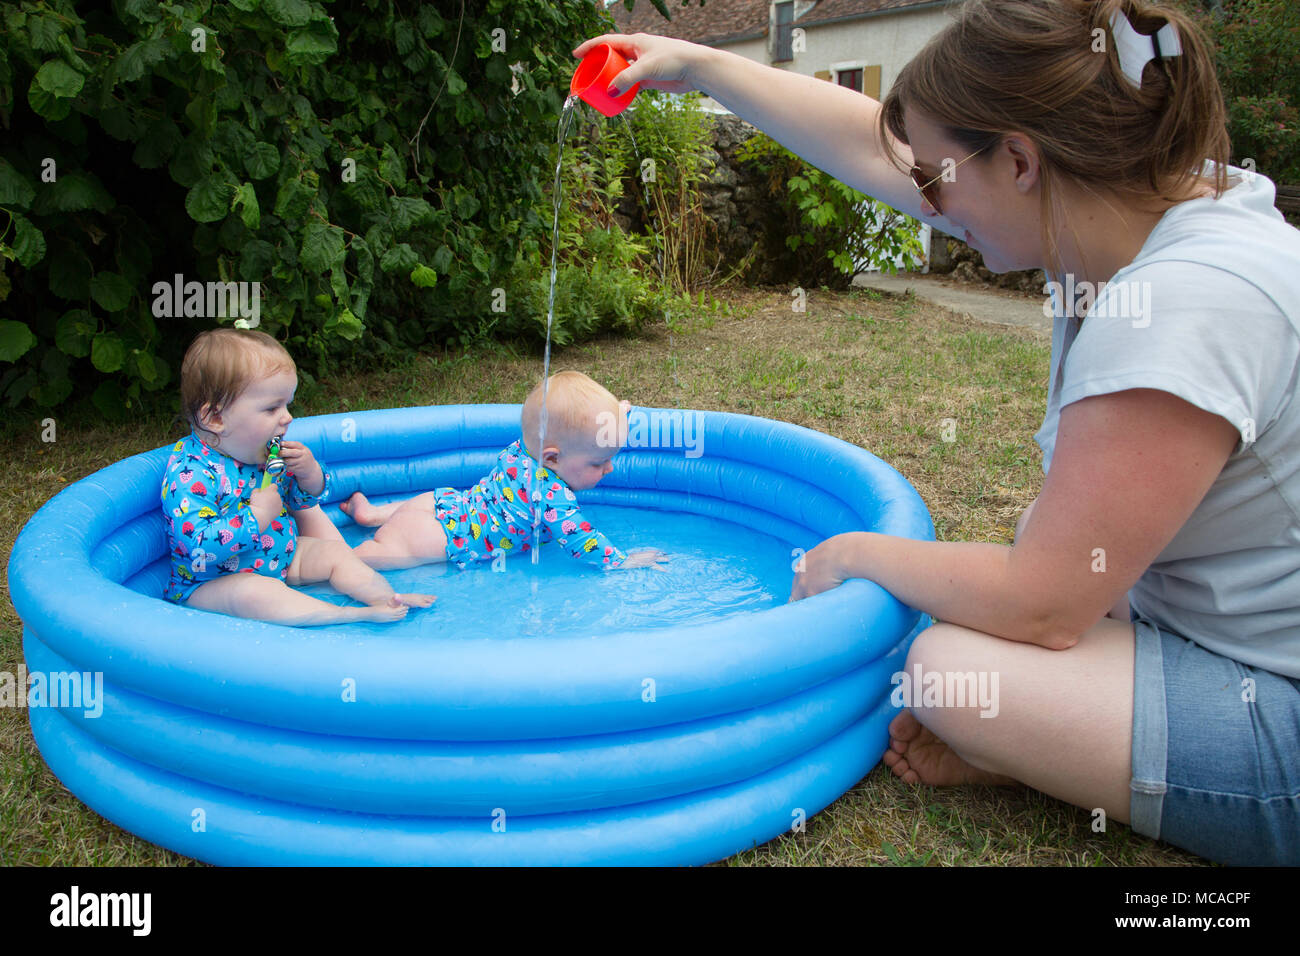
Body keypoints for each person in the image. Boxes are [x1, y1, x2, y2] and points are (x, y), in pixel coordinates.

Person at [576, 0, 1300, 865]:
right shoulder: (1145, 205)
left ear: (1021, 160)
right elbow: (869, 144)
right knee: (1044, 544)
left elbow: (1042, 605)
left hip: (1278, 716)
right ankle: (1062, 745)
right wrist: (700, 65)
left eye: (935, 180)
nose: (926, 203)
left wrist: (853, 554)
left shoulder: (1185, 304)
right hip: (1215, 633)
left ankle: (1052, 751)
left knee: (950, 671)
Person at [162, 328, 436, 625]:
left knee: (334, 553)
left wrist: (309, 475)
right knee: (255, 591)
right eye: (271, 408)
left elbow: (302, 499)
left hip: (283, 555)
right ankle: (347, 615)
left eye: (287, 404)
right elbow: (199, 545)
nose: (287, 417)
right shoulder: (191, 472)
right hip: (215, 581)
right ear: (215, 418)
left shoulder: (262, 452)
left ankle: (387, 598)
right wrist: (256, 516)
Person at [342, 370, 670, 572]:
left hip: (445, 503)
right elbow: (581, 539)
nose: (609, 468)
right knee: (367, 558)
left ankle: (372, 515)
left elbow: (559, 422)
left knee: (396, 522)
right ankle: (331, 560)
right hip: (445, 537)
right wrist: (622, 560)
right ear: (553, 458)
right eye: (598, 463)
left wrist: (617, 415)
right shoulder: (553, 497)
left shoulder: (525, 447)